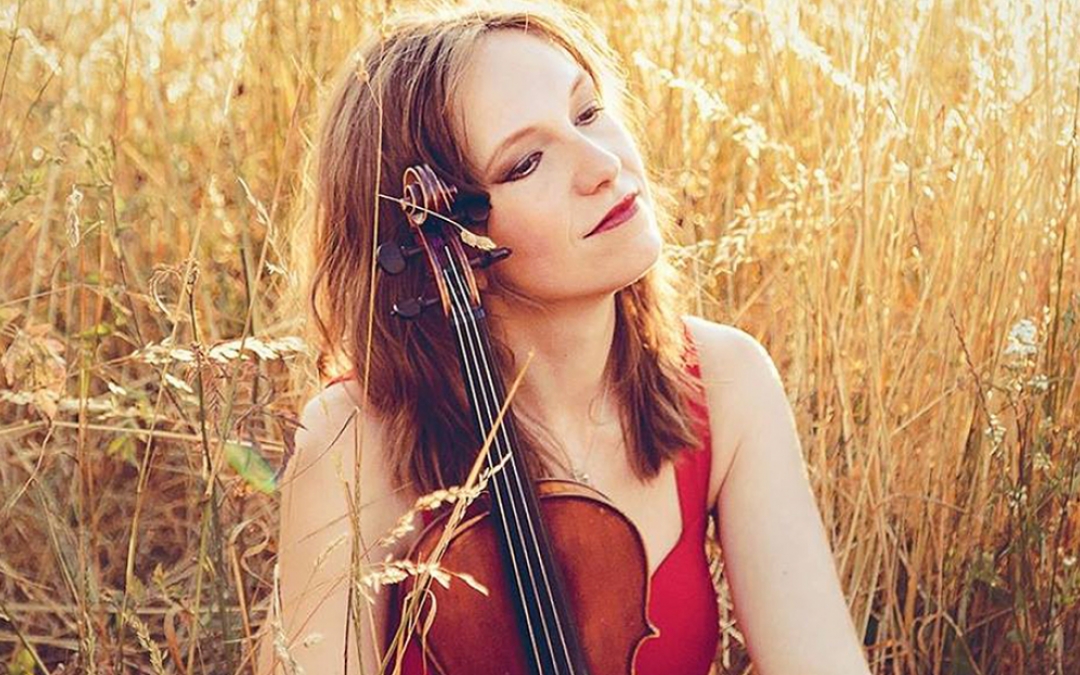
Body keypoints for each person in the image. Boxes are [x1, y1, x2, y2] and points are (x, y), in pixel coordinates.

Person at [267, 1, 872, 674]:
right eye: (526, 162)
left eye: (587, 112)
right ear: (438, 235)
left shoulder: (726, 382)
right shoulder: (354, 441)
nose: (602, 164)